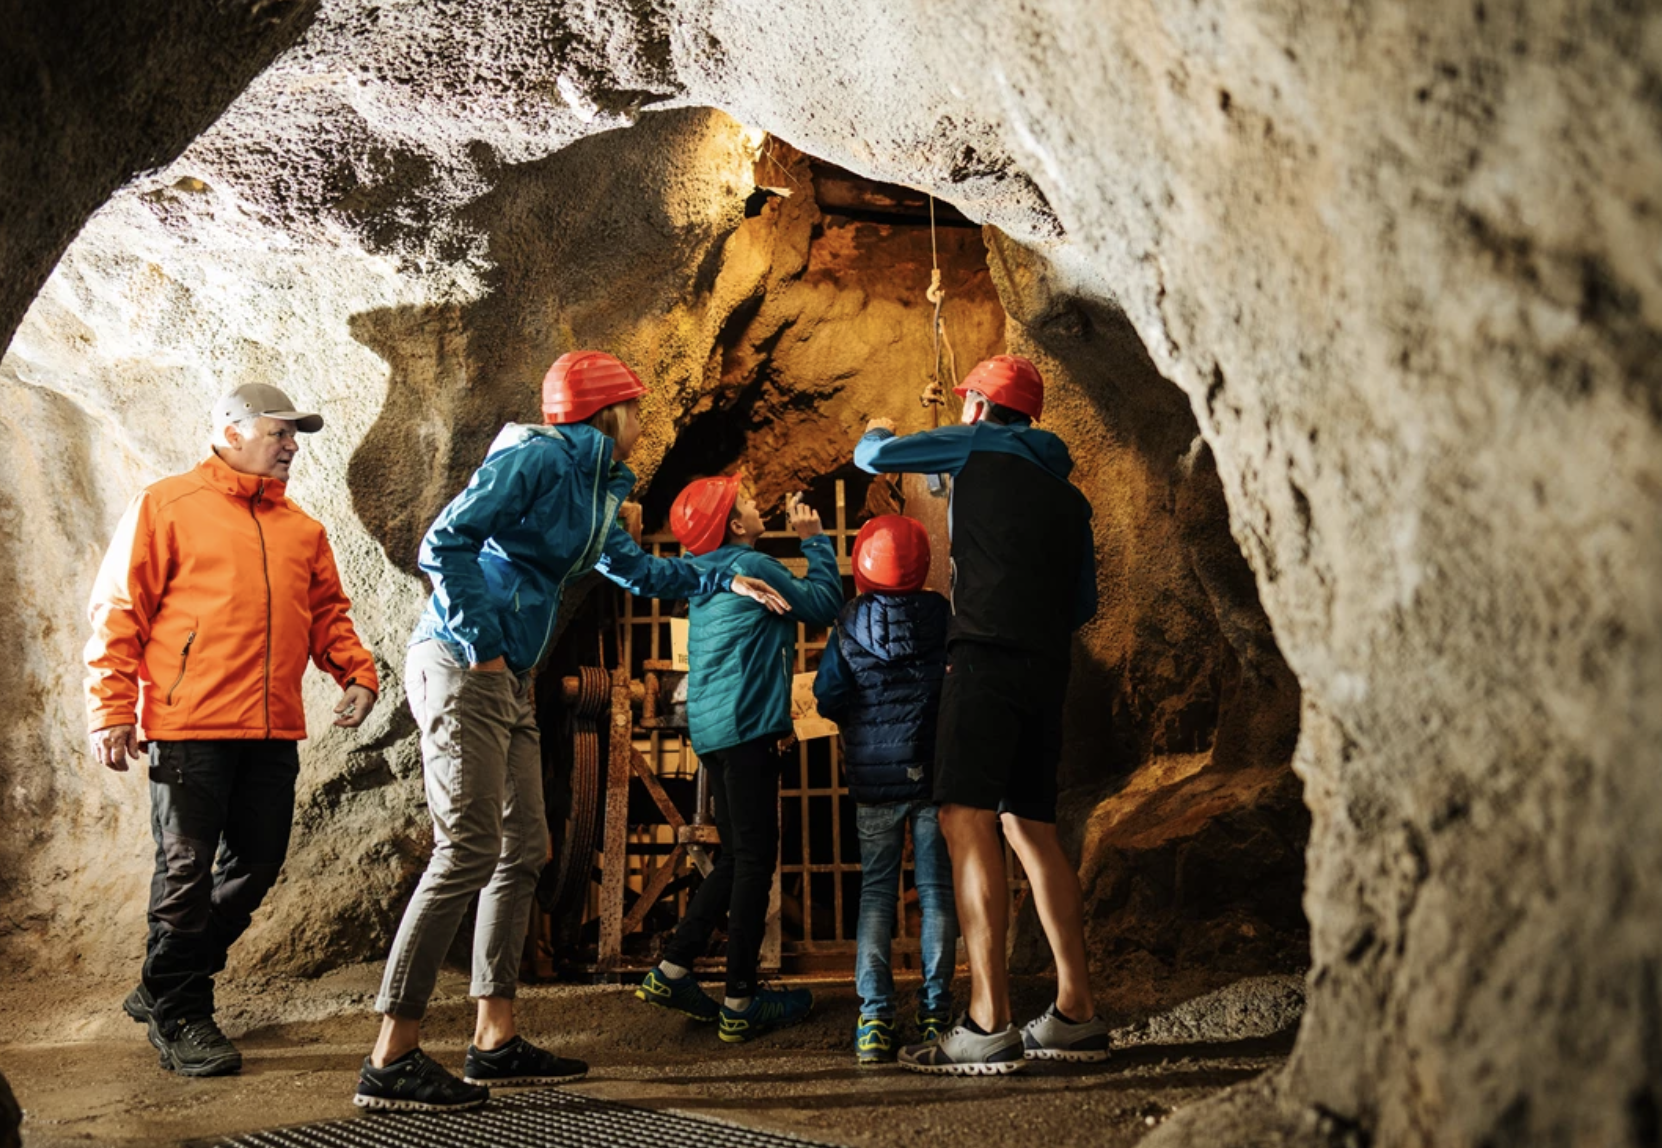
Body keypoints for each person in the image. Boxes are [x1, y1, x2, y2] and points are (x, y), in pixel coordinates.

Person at [357, 351, 789, 1112]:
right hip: (464, 663)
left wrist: (725, 575)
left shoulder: (595, 487)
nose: (643, 421)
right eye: (636, 407)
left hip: (508, 677)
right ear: (607, 412)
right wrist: (485, 644)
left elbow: (639, 572)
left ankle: (494, 1038)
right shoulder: (536, 459)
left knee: (522, 848)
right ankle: (391, 1054)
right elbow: (443, 542)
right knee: (466, 850)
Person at [86, 383, 381, 1078]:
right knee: (186, 872)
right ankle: (182, 1011)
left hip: (272, 730)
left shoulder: (302, 529)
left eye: (294, 435)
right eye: (280, 432)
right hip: (189, 727)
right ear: (232, 431)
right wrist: (111, 708)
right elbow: (119, 611)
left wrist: (357, 673)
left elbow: (328, 614)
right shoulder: (167, 505)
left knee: (258, 864)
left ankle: (164, 981)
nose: (292, 445)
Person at [852, 354, 1110, 1075]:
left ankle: (987, 1021)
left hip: (985, 658)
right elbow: (1083, 604)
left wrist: (879, 426)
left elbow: (872, 458)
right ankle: (1076, 1012)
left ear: (976, 405)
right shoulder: (1070, 497)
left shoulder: (975, 443)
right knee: (1031, 827)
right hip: (1046, 666)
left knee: (964, 818)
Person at [635, 476, 842, 1043]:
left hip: (713, 732)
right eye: (746, 502)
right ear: (733, 525)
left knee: (736, 856)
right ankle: (741, 999)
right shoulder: (753, 565)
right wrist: (814, 539)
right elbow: (824, 604)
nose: (756, 504)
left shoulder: (701, 575)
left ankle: (673, 969)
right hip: (748, 728)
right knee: (754, 861)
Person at [812, 514, 958, 1066]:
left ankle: (874, 1020)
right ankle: (936, 1013)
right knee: (936, 890)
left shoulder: (849, 623)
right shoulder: (943, 618)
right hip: (933, 773)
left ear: (862, 568)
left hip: (873, 779)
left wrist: (859, 723)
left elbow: (828, 695)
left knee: (875, 893)